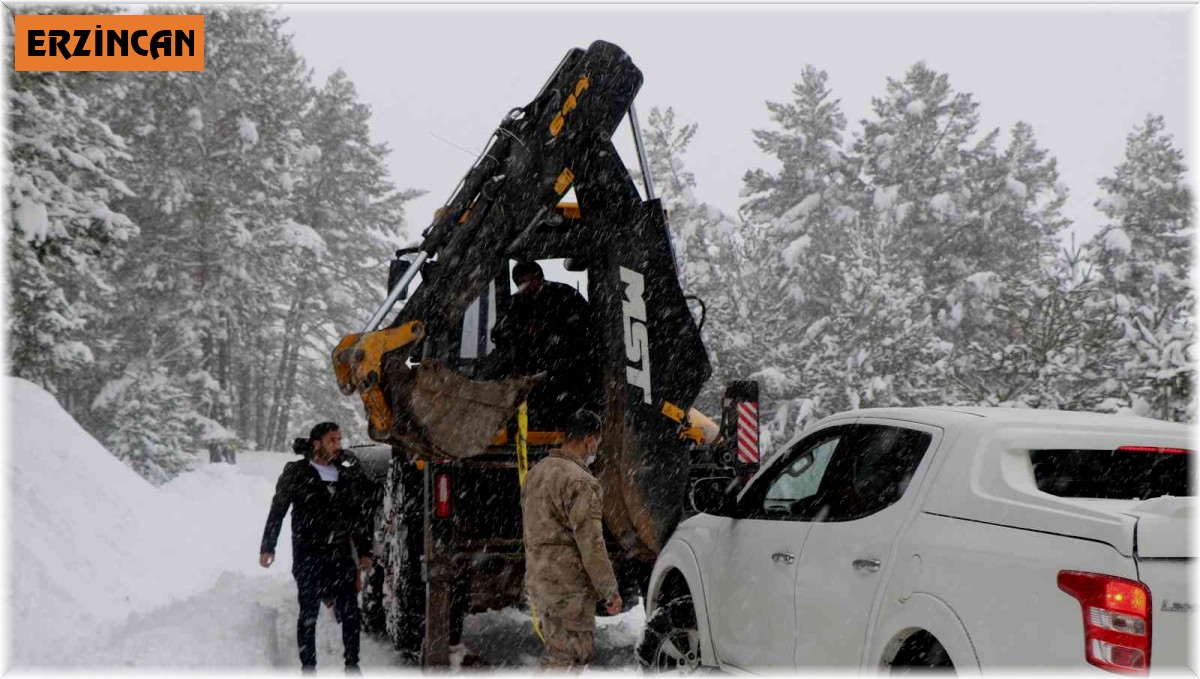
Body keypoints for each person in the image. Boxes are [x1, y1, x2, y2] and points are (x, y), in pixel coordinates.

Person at [260, 422, 375, 674]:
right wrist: (268, 546)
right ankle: (308, 668)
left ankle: (353, 666)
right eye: (332, 440)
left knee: (351, 612)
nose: (338, 445)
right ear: (316, 443)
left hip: (341, 554)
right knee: (309, 612)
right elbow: (277, 511)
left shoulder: (345, 474)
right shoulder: (296, 472)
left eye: (339, 440)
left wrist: (365, 551)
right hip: (309, 554)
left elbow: (357, 517)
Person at [521, 409, 622, 670]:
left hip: (540, 580)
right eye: (596, 444)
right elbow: (592, 545)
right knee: (570, 656)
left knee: (557, 653)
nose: (594, 450)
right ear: (589, 441)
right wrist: (609, 590)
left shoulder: (537, 473)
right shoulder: (580, 482)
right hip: (568, 588)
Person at [490, 261, 599, 425]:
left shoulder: (564, 295)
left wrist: (547, 332)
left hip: (564, 369)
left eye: (527, 281)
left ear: (538, 278)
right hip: (530, 367)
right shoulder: (515, 303)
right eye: (520, 284)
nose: (525, 288)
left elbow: (581, 333)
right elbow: (501, 333)